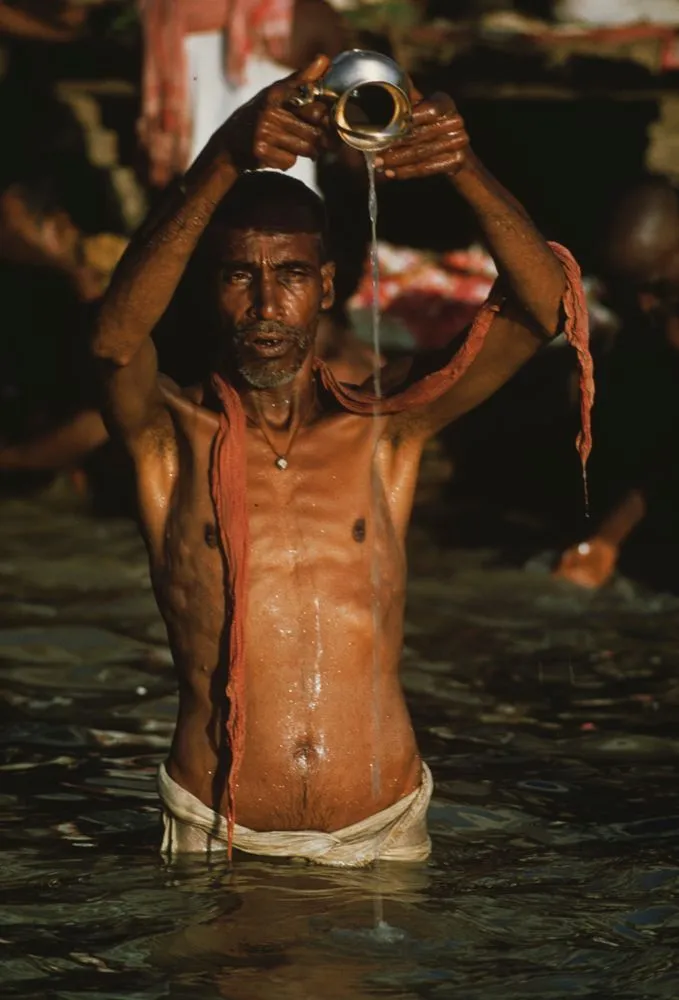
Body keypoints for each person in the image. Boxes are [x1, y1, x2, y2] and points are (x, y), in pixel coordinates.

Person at [91, 54, 586, 865]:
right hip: (223, 834)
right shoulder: (169, 442)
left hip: (380, 832)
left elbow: (542, 309)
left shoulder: (387, 434)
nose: (264, 304)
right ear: (206, 288)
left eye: (289, 275)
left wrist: (461, 165)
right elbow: (114, 346)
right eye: (238, 277)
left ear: (326, 284)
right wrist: (224, 157)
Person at [554, 177, 679, 590]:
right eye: (632, 291)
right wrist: (605, 542)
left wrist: (609, 539)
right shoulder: (647, 323)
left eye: (656, 286)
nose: (645, 306)